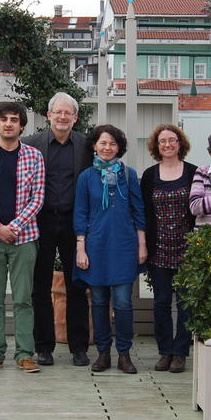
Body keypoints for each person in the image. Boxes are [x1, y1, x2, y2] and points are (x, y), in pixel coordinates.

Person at [0, 102, 45, 373]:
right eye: (4, 119)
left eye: (14, 119)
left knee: (24, 299)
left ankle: (25, 354)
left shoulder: (34, 156)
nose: (9, 124)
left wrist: (13, 226)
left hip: (24, 238)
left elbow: (37, 197)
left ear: (22, 126)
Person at [25, 92, 93, 367]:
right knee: (39, 285)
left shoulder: (87, 145)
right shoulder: (31, 145)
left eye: (68, 113)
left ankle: (79, 347)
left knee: (77, 284)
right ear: (48, 115)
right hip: (40, 221)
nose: (63, 117)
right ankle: (43, 347)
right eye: (58, 112)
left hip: (74, 221)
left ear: (75, 117)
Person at [74, 125, 146, 373]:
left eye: (113, 144)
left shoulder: (129, 174)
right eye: (103, 143)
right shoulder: (86, 177)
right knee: (99, 302)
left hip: (124, 246)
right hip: (95, 246)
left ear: (119, 148)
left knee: (123, 302)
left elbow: (138, 211)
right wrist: (80, 248)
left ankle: (124, 354)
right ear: (94, 146)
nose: (107, 147)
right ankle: (103, 353)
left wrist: (142, 244)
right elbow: (80, 213)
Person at [140, 124, 198, 374]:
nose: (167, 144)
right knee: (161, 302)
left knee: (186, 304)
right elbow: (143, 213)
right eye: (162, 141)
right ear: (157, 146)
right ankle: (165, 351)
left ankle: (180, 352)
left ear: (180, 143)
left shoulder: (194, 172)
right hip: (159, 249)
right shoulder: (150, 175)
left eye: (172, 140)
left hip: (187, 249)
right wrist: (143, 244)